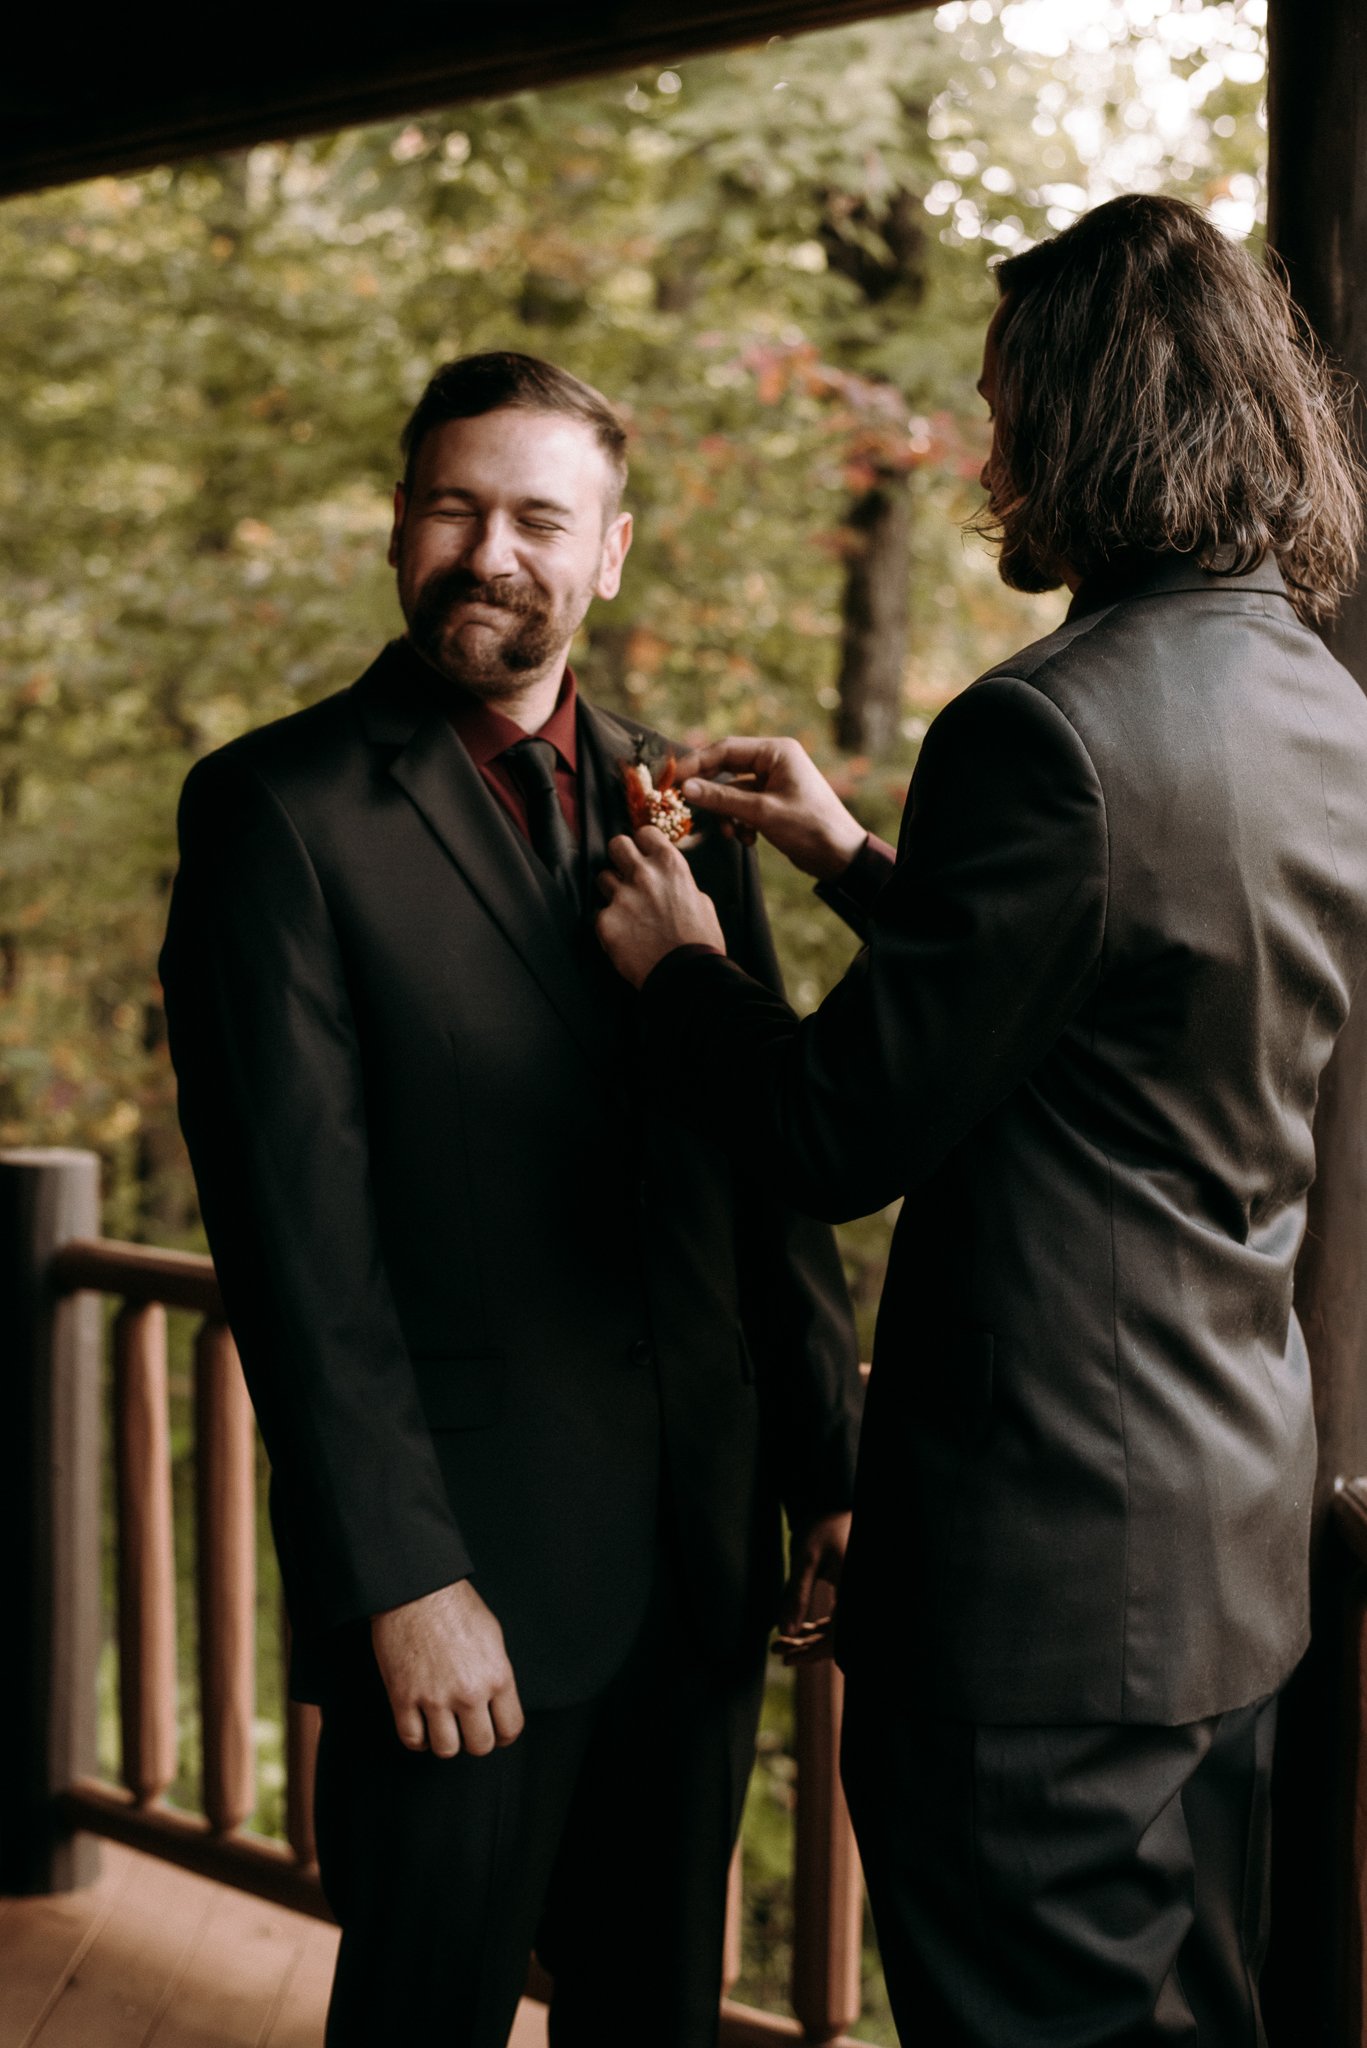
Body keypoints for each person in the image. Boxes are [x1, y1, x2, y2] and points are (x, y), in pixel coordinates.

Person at [596, 194, 1367, 2045]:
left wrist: (682, 965)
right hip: (1225, 1564)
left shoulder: (1050, 729)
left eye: (1012, 411)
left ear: (1097, 419)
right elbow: (1125, 1009)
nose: (990, 459)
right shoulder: (1316, 700)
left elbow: (839, 1131)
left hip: (1040, 1607)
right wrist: (864, 858)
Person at [159, 350, 864, 2048]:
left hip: (700, 1569)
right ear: (399, 525)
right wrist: (399, 1580)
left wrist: (831, 1467)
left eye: (540, 517)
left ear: (610, 552)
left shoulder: (686, 805)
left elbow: (765, 1163)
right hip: (462, 1600)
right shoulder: (280, 811)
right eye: (457, 508)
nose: (495, 553)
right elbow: (294, 1247)